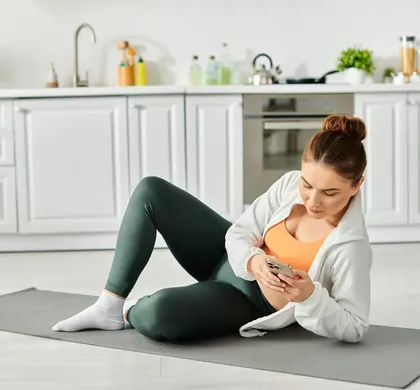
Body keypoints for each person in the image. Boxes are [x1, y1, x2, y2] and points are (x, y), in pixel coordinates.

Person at [52, 114, 372, 343]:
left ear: (356, 185)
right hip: (228, 257)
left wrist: (310, 295)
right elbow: (239, 231)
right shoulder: (289, 184)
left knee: (156, 315)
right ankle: (109, 305)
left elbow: (355, 326)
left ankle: (127, 312)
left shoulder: (350, 246)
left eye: (330, 193)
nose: (313, 201)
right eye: (307, 184)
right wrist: (253, 261)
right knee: (151, 190)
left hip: (244, 299)